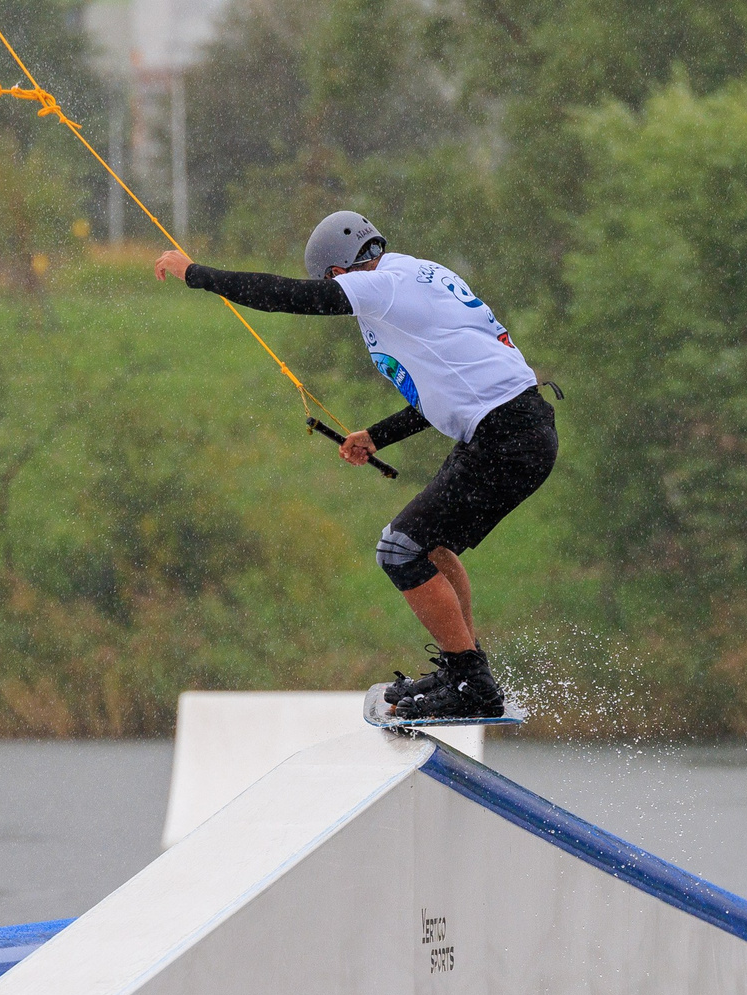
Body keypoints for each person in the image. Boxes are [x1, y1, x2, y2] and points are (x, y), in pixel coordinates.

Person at [153, 210, 556, 720]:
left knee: (399, 549)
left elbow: (288, 297)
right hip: (513, 427)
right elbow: (449, 385)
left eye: (331, 286)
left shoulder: (380, 286)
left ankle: (472, 683)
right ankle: (465, 672)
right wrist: (377, 435)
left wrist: (197, 275)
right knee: (427, 545)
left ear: (338, 274)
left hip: (507, 437)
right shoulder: (416, 274)